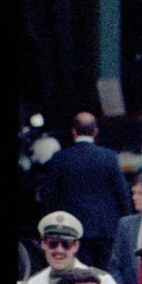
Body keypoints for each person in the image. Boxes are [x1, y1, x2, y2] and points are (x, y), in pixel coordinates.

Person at [38, 112, 130, 270]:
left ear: (73, 132)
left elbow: (48, 195)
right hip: (105, 229)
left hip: (71, 229)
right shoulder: (109, 157)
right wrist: (126, 223)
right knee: (106, 274)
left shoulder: (60, 158)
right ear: (95, 132)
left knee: (77, 274)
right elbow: (122, 194)